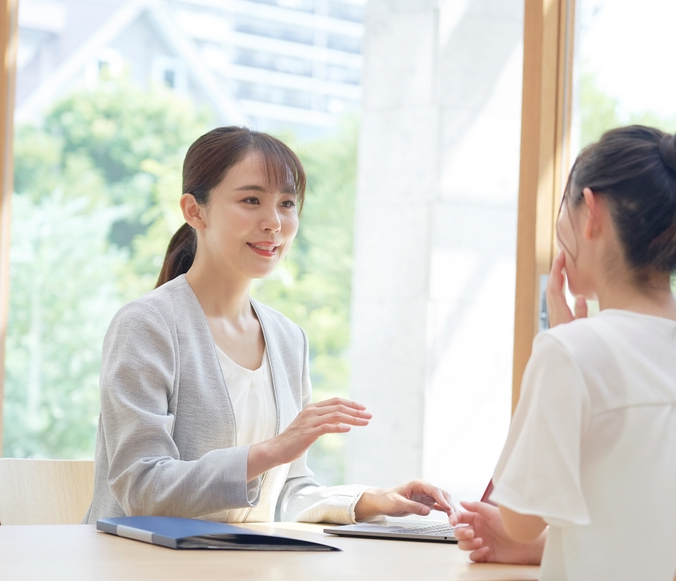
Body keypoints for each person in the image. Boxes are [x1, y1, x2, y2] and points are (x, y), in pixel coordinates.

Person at [450, 117, 676, 581]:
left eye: (565, 207)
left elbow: (518, 519)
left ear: (591, 210)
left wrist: (559, 347)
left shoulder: (571, 355)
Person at [85, 126, 452, 525]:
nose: (274, 222)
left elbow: (287, 492)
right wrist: (272, 450)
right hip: (143, 573)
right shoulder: (146, 325)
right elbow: (141, 486)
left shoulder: (287, 339)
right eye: (251, 200)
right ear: (194, 210)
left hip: (241, 570)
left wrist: (368, 500)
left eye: (287, 203)